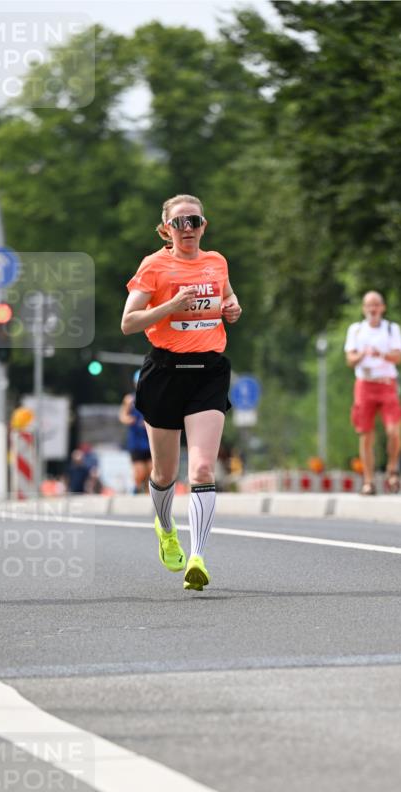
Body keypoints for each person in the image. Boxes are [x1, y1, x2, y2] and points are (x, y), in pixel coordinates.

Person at [121, 194, 242, 591]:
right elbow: (129, 322)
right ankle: (166, 527)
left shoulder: (217, 261)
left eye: (194, 221)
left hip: (208, 372)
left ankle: (198, 557)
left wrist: (232, 307)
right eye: (179, 223)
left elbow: (226, 295)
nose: (187, 228)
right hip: (165, 372)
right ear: (166, 230)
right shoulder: (154, 266)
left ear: (204, 225)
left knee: (203, 469)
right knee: (164, 473)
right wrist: (170, 305)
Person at [344, 291, 401, 495]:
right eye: (369, 306)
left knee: (393, 431)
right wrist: (362, 355)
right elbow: (349, 359)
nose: (373, 309)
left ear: (382, 307)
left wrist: (382, 354)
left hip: (387, 383)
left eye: (376, 305)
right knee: (365, 435)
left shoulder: (391, 329)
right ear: (364, 309)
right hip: (364, 384)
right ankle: (368, 481)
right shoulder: (356, 330)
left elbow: (398, 357)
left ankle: (392, 468)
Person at [119, 371, 153, 493]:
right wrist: (131, 420)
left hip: (150, 441)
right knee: (140, 472)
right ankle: (137, 489)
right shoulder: (129, 399)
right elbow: (123, 416)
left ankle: (150, 495)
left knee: (152, 471)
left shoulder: (152, 398)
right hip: (136, 441)